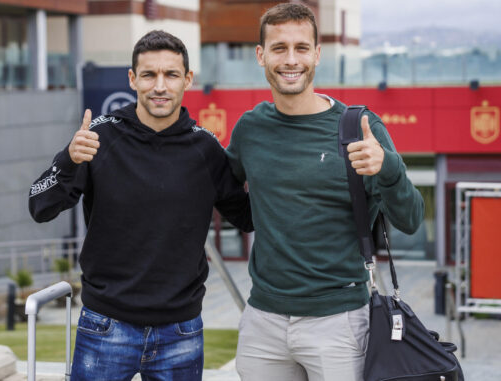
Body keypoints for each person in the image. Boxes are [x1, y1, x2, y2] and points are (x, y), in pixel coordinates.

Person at [28, 30, 252, 381]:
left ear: (188, 80)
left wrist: (270, 176)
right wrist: (69, 161)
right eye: (149, 74)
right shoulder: (98, 138)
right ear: (133, 79)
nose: (159, 86)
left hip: (181, 331)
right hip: (105, 326)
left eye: (171, 74)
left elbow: (248, 216)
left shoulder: (206, 150)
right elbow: (39, 204)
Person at [226, 4, 424, 381]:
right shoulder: (250, 129)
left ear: (317, 54)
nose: (290, 59)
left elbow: (411, 219)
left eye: (301, 48)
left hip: (339, 323)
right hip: (263, 323)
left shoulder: (358, 128)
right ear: (261, 55)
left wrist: (388, 167)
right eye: (279, 48)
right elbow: (220, 188)